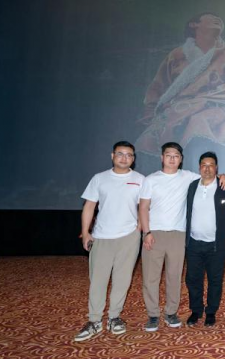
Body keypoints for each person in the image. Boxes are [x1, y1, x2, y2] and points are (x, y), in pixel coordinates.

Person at [138, 142, 225, 332]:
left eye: (176, 156)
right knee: (152, 278)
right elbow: (143, 207)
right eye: (168, 155)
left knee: (175, 277)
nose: (172, 159)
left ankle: (172, 312)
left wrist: (224, 176)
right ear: (162, 157)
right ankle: (153, 315)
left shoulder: (188, 177)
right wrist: (146, 232)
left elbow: (211, 177)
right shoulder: (151, 179)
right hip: (155, 234)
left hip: (179, 235)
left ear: (181, 159)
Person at [137, 12, 225, 156]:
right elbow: (159, 85)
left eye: (219, 18)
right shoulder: (177, 55)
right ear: (194, 25)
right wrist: (151, 110)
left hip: (216, 106)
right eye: (210, 17)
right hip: (176, 108)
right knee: (155, 134)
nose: (217, 19)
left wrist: (198, 102)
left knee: (198, 122)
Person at [74, 141, 144, 342]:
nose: (124, 158)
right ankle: (94, 320)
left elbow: (144, 206)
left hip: (129, 238)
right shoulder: (99, 178)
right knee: (98, 280)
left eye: (129, 155)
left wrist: (139, 228)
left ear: (133, 158)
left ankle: (115, 317)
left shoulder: (140, 179)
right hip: (102, 237)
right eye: (120, 154)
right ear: (112, 156)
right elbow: (89, 206)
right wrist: (85, 232)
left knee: (122, 280)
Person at [184, 152, 225, 328]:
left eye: (211, 165)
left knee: (215, 279)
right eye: (204, 165)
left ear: (216, 168)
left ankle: (211, 311)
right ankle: (196, 310)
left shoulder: (224, 187)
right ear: (199, 168)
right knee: (193, 279)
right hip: (193, 243)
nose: (207, 168)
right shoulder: (191, 186)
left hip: (216, 244)